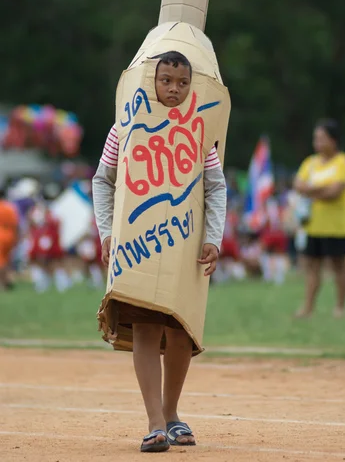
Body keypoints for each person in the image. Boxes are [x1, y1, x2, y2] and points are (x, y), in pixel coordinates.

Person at [92, 51, 227, 453]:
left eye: (182, 82)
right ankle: (154, 422)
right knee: (147, 329)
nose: (174, 89)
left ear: (192, 85)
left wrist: (213, 237)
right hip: (139, 248)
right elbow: (103, 180)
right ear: (152, 80)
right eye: (166, 80)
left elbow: (215, 187)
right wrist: (107, 233)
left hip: (185, 247)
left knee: (180, 330)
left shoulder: (201, 130)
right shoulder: (124, 127)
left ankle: (171, 414)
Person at [294, 119, 345, 318]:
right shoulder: (310, 163)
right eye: (316, 138)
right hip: (313, 226)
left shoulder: (344, 163)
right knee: (312, 267)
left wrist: (311, 190)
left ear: (334, 140)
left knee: (339, 266)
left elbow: (336, 192)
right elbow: (298, 185)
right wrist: (322, 189)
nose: (317, 142)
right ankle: (308, 307)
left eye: (322, 138)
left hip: (337, 227)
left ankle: (340, 307)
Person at [0, 186, 19, 289]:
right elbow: (15, 224)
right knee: (7, 260)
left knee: (1, 261)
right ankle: (8, 279)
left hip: (1, 235)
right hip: (10, 235)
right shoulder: (10, 208)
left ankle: (4, 282)